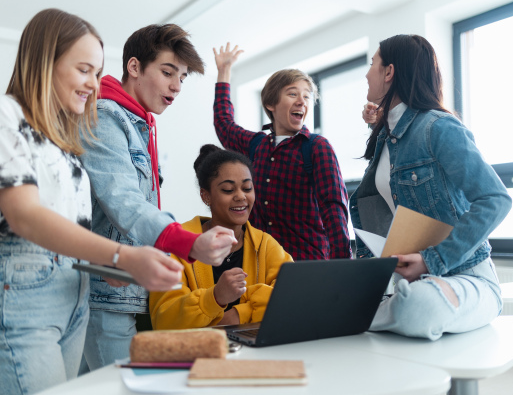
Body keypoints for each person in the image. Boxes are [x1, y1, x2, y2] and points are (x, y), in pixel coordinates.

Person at [0, 9, 184, 395]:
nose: (94, 85)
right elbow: (26, 216)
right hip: (24, 294)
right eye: (84, 70)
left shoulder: (64, 145)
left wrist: (100, 261)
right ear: (45, 63)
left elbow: (67, 230)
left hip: (75, 293)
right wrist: (122, 256)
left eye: (97, 73)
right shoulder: (4, 114)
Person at [78, 25, 236, 371]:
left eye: (181, 77)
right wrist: (188, 243)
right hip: (107, 292)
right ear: (134, 67)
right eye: (167, 72)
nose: (176, 86)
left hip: (123, 287)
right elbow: (124, 202)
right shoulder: (107, 117)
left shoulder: (139, 123)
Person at [352, 34, 512, 340]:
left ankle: (366, 314)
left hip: (466, 279)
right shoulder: (387, 138)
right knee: (390, 298)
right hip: (412, 284)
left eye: (372, 63)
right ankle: (375, 309)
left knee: (420, 306)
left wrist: (432, 260)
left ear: (389, 72)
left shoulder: (439, 127)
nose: (367, 72)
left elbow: (496, 199)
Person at [213, 43, 351, 261]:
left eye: (306, 97)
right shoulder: (257, 145)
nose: (301, 101)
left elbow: (334, 208)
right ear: (270, 103)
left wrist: (343, 265)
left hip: (305, 265)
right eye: (292, 93)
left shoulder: (317, 147)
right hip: (261, 266)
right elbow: (224, 124)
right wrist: (224, 73)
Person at [150, 144, 293, 329]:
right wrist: (215, 297)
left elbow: (294, 296)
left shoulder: (266, 245)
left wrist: (239, 314)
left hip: (254, 352)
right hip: (198, 353)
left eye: (247, 188)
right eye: (228, 190)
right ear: (205, 196)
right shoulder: (176, 244)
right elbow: (164, 318)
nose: (241, 196)